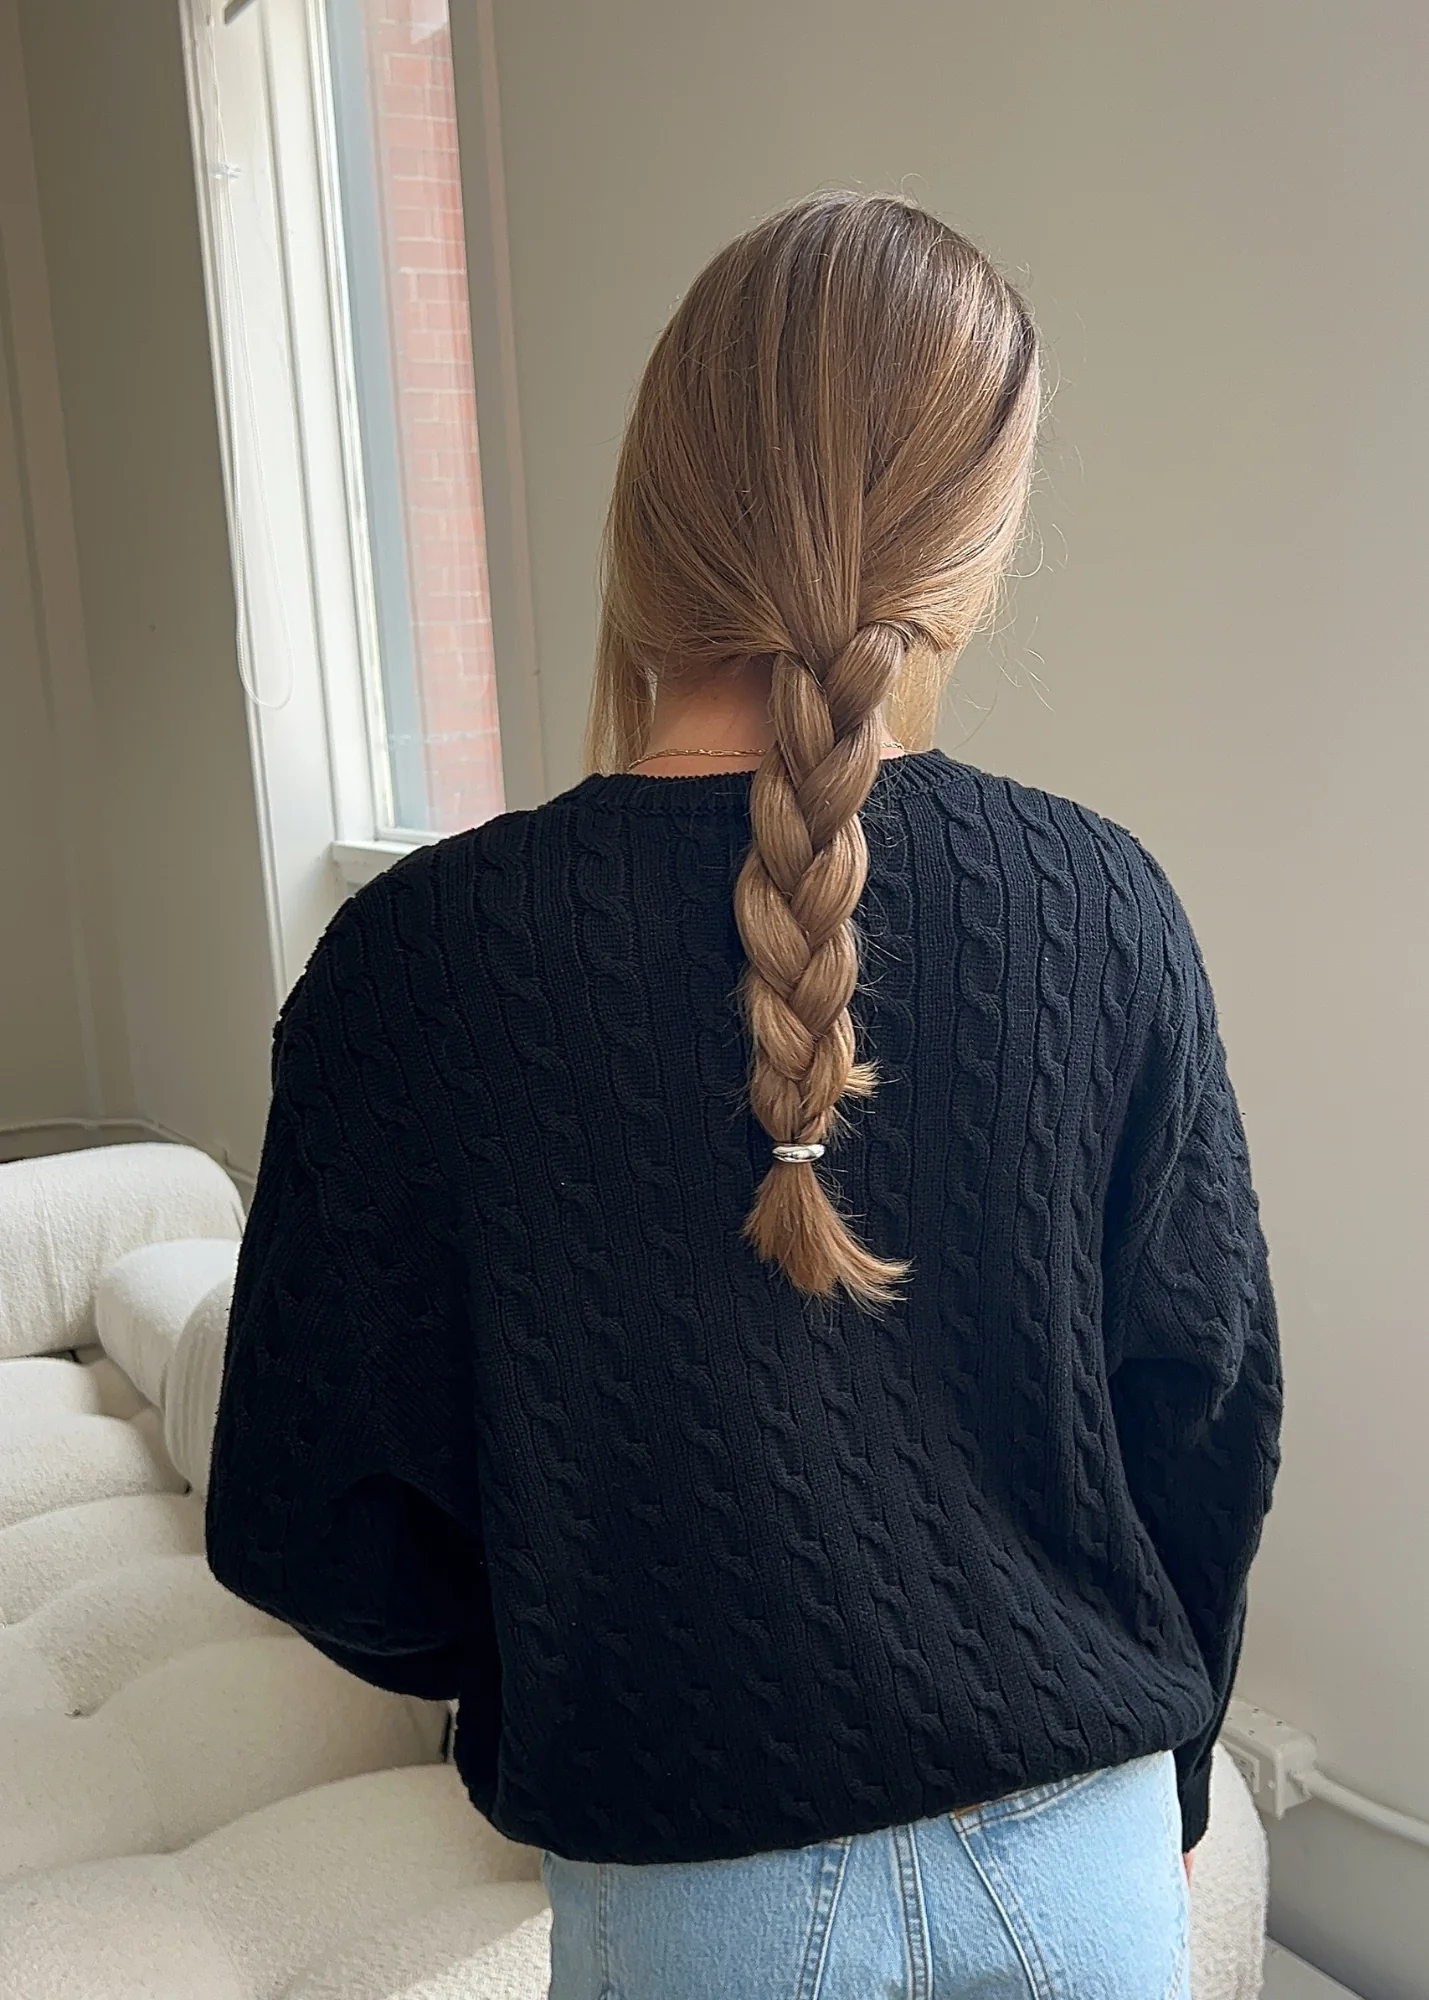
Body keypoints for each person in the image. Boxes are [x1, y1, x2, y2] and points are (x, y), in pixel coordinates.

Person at [206, 191, 1283, 1998]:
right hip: (1086, 1872)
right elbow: (1208, 1423)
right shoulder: (1107, 911)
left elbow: (303, 1515)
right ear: (969, 553)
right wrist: (1151, 1768)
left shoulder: (415, 968)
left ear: (655, 505)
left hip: (694, 1906)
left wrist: (553, 1665)